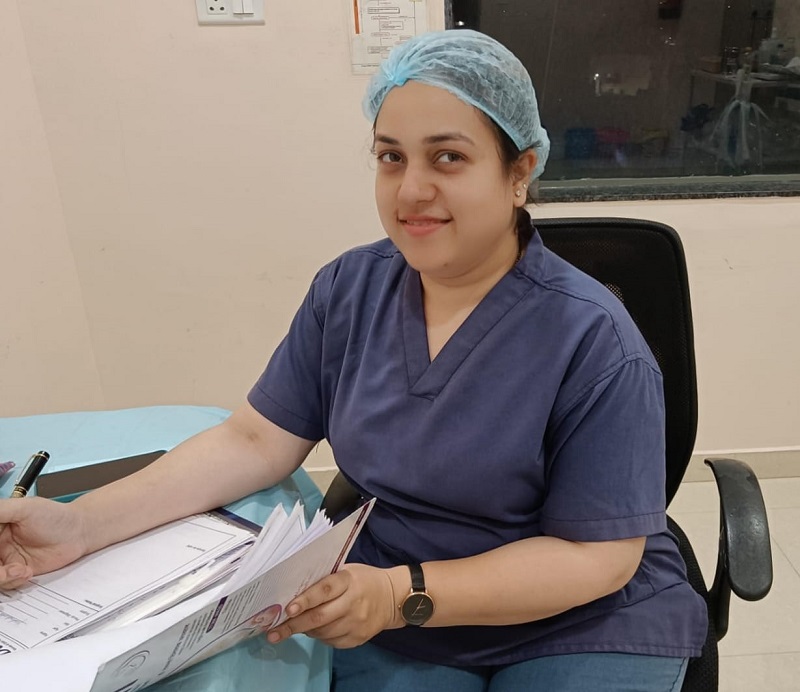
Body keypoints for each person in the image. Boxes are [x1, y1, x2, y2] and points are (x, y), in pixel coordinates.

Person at [0, 29, 706, 692]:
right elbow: (252, 441)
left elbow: (597, 558)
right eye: (391, 155)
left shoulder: (593, 339)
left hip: (576, 621)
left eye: (448, 157)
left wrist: (403, 594)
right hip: (394, 609)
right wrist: (81, 526)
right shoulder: (350, 290)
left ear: (520, 171)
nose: (410, 190)